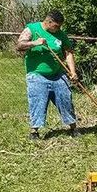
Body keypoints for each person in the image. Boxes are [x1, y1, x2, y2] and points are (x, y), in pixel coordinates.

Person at [16, 9, 79, 139]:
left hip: (57, 74)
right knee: (38, 102)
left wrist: (73, 72)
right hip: (37, 74)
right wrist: (35, 43)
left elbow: (68, 52)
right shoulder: (32, 29)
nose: (58, 29)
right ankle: (34, 132)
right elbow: (19, 45)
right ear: (48, 22)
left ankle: (73, 128)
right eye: (56, 26)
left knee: (66, 99)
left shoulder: (61, 34)